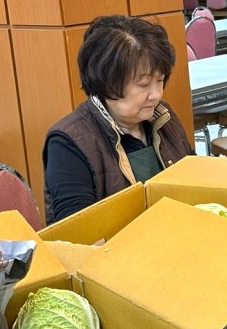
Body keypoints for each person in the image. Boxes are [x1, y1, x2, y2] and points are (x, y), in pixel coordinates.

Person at [43, 15, 193, 224]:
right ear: (107, 83)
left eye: (160, 81)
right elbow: (75, 232)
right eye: (143, 84)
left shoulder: (163, 116)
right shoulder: (68, 141)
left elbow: (192, 177)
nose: (156, 94)